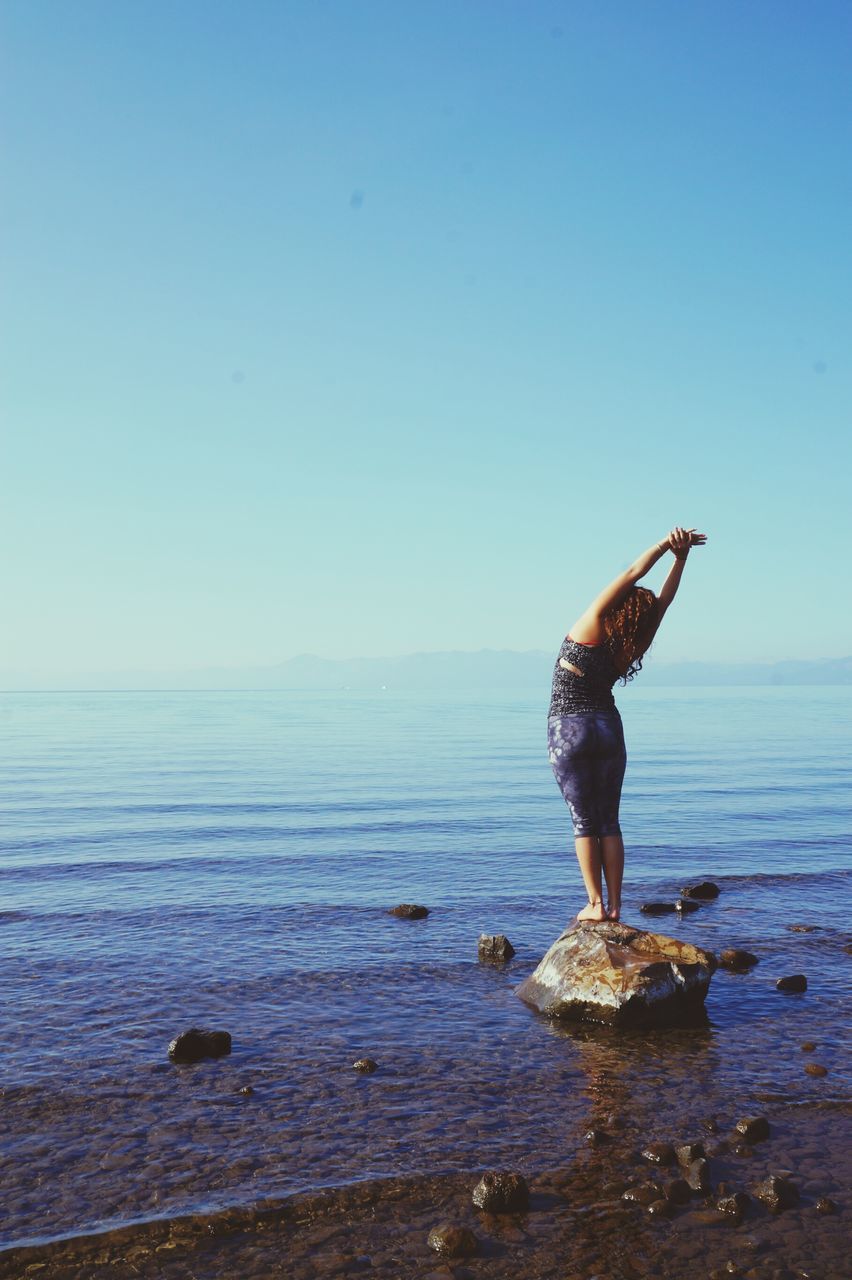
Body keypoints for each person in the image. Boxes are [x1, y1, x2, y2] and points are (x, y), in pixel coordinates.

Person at [547, 526, 707, 923]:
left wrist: (662, 545)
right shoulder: (632, 643)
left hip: (570, 729)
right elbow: (664, 602)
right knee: (610, 821)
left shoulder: (593, 622)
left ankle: (595, 904)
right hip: (608, 728)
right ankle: (615, 906)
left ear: (619, 608)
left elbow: (634, 572)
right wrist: (681, 558)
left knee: (584, 822)